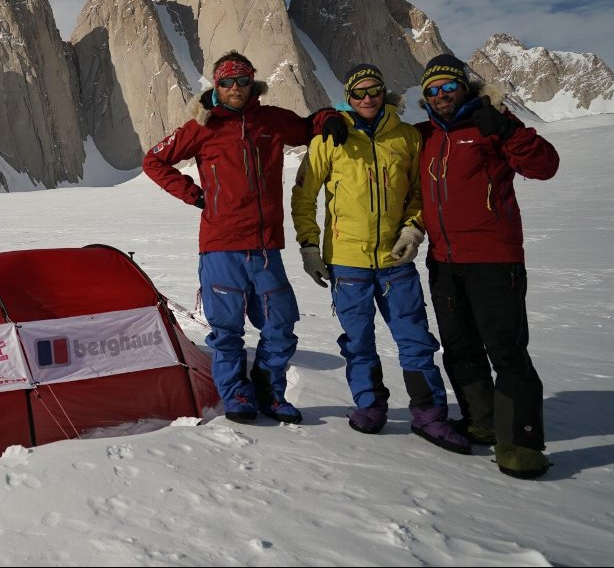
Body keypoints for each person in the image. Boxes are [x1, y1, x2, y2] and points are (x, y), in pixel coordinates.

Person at [143, 51, 348, 425]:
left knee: (280, 325)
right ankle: (236, 394)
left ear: (252, 83)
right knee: (226, 331)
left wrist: (330, 116)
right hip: (221, 245)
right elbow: (153, 161)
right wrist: (195, 194)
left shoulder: (270, 120)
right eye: (226, 82)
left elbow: (308, 126)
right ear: (216, 86)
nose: (235, 88)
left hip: (267, 247)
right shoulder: (201, 126)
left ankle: (270, 391)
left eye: (242, 80)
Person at [290, 64, 471, 454]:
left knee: (416, 341)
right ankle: (370, 406)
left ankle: (429, 415)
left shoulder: (406, 138)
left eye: (374, 91)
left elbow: (420, 193)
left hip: (395, 261)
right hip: (347, 261)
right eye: (359, 93)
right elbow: (304, 196)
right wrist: (309, 246)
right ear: (348, 98)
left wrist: (412, 229)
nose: (367, 99)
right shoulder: (331, 138)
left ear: (384, 93)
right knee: (357, 342)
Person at [417, 53, 560, 479]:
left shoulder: (490, 123)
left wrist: (511, 130)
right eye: (433, 90)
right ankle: (481, 421)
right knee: (460, 348)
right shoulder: (425, 135)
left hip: (495, 260)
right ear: (424, 97)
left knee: (506, 351)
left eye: (448, 86)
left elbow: (544, 166)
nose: (442, 95)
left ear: (464, 87)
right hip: (443, 261)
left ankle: (520, 443)